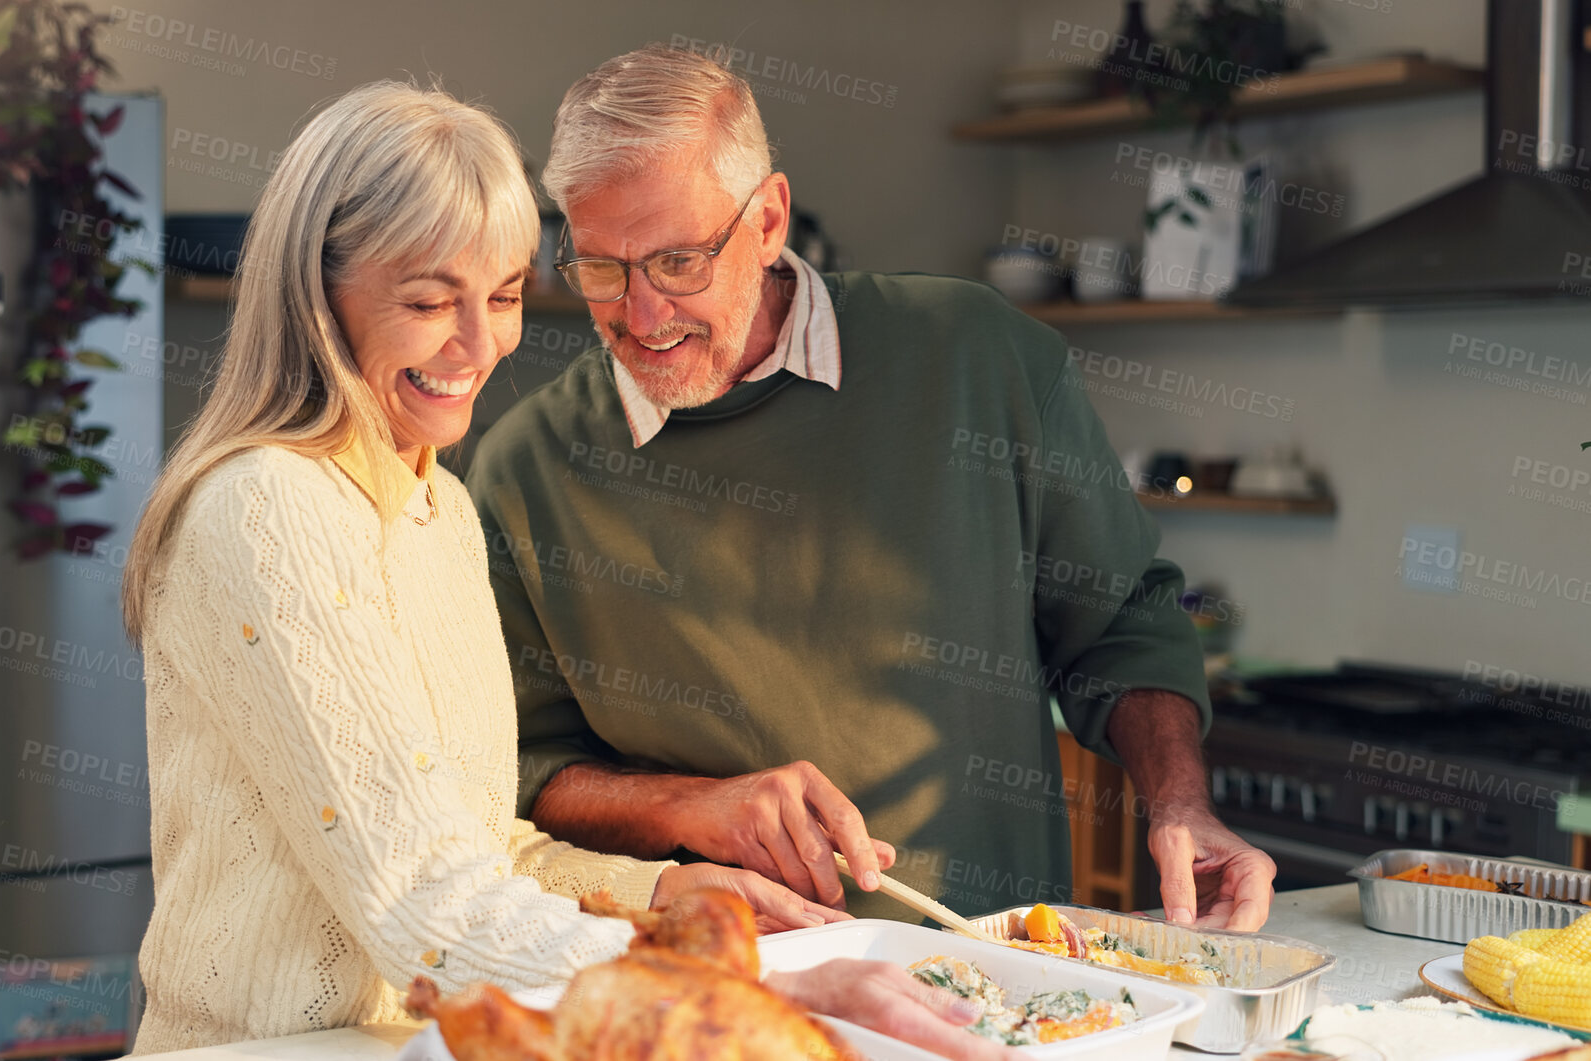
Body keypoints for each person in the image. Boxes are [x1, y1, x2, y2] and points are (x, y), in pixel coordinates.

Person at [118, 80, 1021, 1060]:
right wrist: (771, 980)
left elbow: (469, 843)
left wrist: (672, 895)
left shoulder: (440, 510)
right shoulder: (264, 507)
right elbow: (421, 902)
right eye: (427, 301)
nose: (478, 346)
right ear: (316, 293)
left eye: (502, 295)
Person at [466, 45, 1278, 931]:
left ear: (768, 219)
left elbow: (1120, 620)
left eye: (678, 262)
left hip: (1003, 981)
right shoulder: (521, 468)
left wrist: (1177, 802)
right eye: (600, 268)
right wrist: (685, 804)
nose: (643, 314)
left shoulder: (981, 358)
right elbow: (517, 770)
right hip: (723, 997)